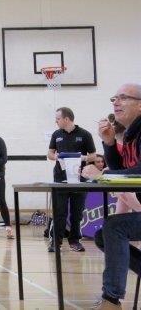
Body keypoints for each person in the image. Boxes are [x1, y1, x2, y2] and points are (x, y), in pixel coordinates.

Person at [81, 84, 141, 309]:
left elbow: (137, 172)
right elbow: (122, 170)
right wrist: (109, 142)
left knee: (114, 227)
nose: (116, 102)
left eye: (123, 98)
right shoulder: (132, 135)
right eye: (114, 98)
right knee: (103, 235)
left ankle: (111, 299)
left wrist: (102, 175)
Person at [47, 107, 96, 253]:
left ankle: (74, 241)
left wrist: (83, 158)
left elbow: (93, 155)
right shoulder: (56, 134)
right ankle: (56, 242)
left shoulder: (85, 134)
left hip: (79, 179)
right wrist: (57, 156)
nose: (56, 121)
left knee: (77, 213)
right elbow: (50, 153)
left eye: (58, 119)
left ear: (66, 119)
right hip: (60, 179)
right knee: (59, 212)